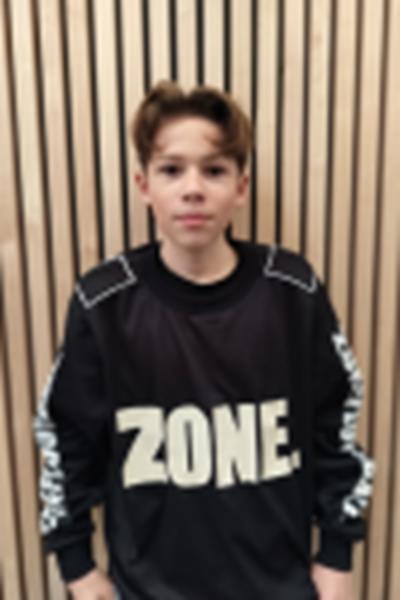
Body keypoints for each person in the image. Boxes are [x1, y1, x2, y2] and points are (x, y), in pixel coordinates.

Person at [33, 80, 375, 600]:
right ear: (143, 185)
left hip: (279, 586)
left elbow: (336, 424)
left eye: (214, 170)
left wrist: (336, 555)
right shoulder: (103, 303)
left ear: (241, 187)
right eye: (172, 170)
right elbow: (66, 440)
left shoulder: (292, 290)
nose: (192, 189)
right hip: (148, 589)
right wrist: (78, 568)